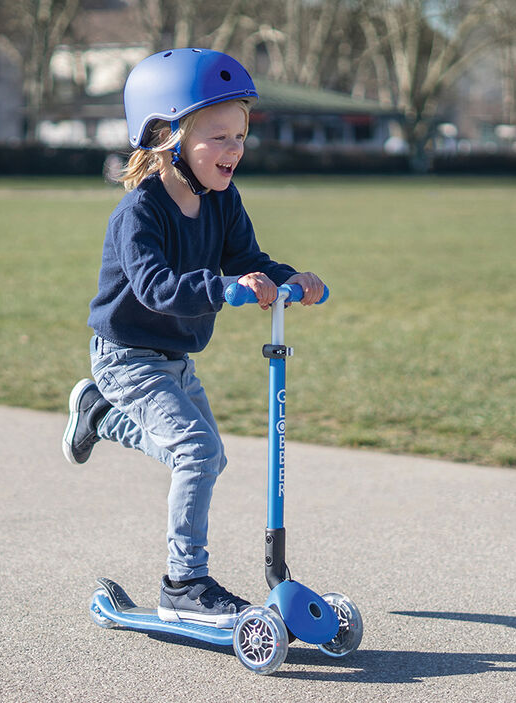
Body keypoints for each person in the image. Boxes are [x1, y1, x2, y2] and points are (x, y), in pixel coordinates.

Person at [63, 48, 325, 628]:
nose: (235, 149)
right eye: (219, 136)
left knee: (207, 455)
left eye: (240, 135)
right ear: (166, 136)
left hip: (176, 356)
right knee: (198, 451)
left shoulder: (222, 202)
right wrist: (225, 288)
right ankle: (182, 583)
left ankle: (98, 418)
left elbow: (248, 258)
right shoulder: (139, 213)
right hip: (127, 355)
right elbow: (156, 286)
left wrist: (290, 279)